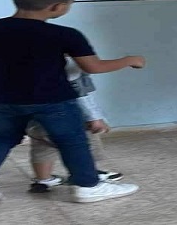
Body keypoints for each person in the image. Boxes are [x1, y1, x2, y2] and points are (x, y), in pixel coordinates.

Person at [0, 0, 144, 202]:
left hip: (0, 100)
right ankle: (88, 186)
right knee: (72, 141)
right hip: (53, 100)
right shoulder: (64, 34)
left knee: (3, 138)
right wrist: (130, 60)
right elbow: (93, 67)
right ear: (56, 7)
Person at [26, 58, 123, 193]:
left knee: (42, 148)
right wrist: (95, 118)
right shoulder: (70, 67)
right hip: (69, 119)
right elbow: (81, 97)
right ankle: (87, 175)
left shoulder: (31, 64)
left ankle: (43, 180)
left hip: (37, 119)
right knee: (83, 146)